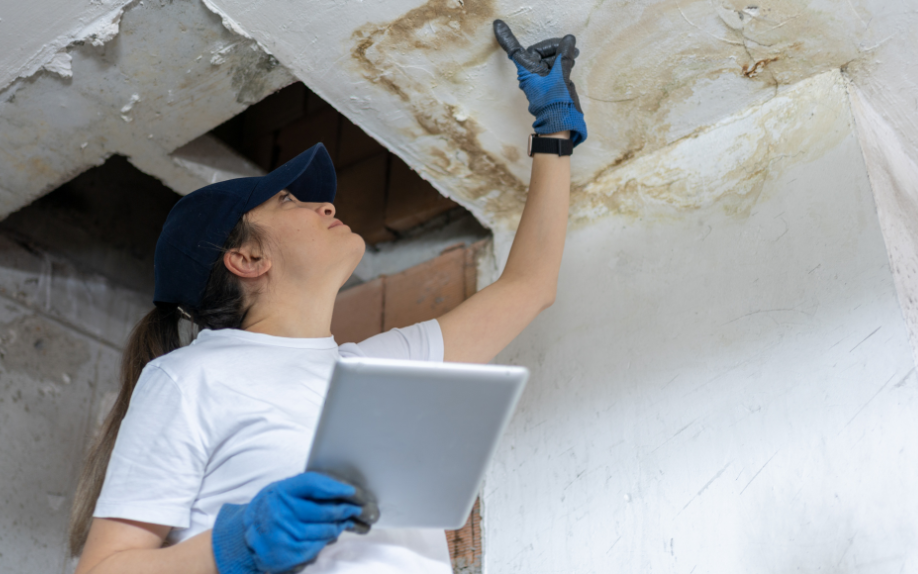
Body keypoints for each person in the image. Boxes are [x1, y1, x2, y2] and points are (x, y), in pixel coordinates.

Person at [70, 19, 587, 574]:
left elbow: (529, 287)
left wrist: (552, 131)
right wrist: (239, 541)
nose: (327, 207)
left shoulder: (378, 372)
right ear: (246, 259)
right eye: (290, 199)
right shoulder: (189, 377)